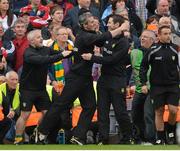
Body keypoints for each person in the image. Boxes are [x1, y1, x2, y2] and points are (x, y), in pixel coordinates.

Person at [36, 10, 129, 145]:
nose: (94, 23)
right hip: (76, 78)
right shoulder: (85, 36)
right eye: (91, 22)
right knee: (61, 105)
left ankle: (78, 136)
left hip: (86, 79)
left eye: (94, 20)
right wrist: (121, 27)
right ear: (85, 25)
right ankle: (42, 132)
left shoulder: (90, 33)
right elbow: (102, 39)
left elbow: (103, 40)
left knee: (90, 106)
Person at [81, 14, 133, 144]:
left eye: (110, 22)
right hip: (104, 79)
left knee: (120, 112)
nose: (108, 24)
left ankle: (128, 137)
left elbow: (111, 60)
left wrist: (92, 57)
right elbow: (97, 39)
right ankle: (103, 139)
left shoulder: (124, 42)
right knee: (102, 112)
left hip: (117, 80)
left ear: (117, 25)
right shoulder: (108, 38)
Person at [14, 29, 72, 144]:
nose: (41, 39)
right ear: (31, 41)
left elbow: (59, 54)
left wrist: (76, 51)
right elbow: (43, 60)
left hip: (41, 89)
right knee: (25, 114)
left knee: (48, 114)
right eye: (38, 37)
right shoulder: (28, 53)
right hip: (27, 90)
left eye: (41, 36)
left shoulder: (46, 49)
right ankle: (18, 138)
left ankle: (37, 132)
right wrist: (61, 55)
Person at [140, 25, 179, 144]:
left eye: (169, 34)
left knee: (173, 110)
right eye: (165, 34)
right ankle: (160, 137)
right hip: (157, 86)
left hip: (172, 85)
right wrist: (143, 83)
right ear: (159, 35)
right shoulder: (153, 50)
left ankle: (170, 131)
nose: (168, 36)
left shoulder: (175, 49)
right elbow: (143, 67)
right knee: (159, 111)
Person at [130, 30, 156, 143]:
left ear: (152, 40)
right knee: (135, 115)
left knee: (148, 115)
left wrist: (148, 85)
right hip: (139, 89)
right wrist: (131, 83)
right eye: (142, 36)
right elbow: (129, 69)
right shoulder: (134, 52)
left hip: (151, 90)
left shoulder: (155, 53)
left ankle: (151, 139)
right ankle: (140, 138)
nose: (142, 38)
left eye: (146, 37)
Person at [0, 71, 19, 144]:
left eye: (16, 80)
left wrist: (14, 111)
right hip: (3, 113)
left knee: (9, 120)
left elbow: (20, 103)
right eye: (12, 79)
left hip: (14, 113)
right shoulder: (1, 88)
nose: (15, 82)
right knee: (6, 120)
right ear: (6, 81)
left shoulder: (20, 88)